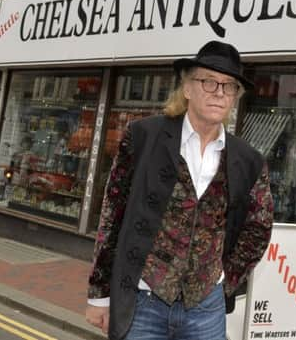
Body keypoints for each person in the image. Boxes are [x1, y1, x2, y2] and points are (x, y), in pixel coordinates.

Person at [85, 41, 274, 340]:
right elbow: (112, 217)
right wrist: (100, 294)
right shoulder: (142, 137)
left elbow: (258, 228)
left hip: (206, 310)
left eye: (229, 86)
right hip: (143, 302)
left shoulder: (249, 160)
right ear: (187, 88)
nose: (219, 93)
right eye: (209, 82)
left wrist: (224, 280)